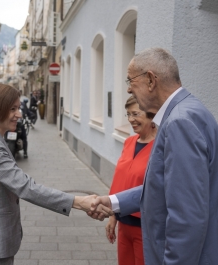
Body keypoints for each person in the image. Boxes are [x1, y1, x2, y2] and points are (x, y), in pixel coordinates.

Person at [90, 47, 218, 264]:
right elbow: (164, 187)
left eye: (130, 81)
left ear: (150, 80)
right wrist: (113, 202)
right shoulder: (189, 111)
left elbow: (187, 217)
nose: (129, 89)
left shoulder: (179, 122)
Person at [0, 83, 100, 265]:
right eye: (13, 109)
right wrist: (78, 202)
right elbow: (25, 187)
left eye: (18, 108)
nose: (18, 114)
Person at [106, 96, 156, 265]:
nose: (131, 120)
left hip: (146, 228)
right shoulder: (129, 142)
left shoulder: (161, 146)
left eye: (135, 114)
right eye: (128, 114)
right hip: (124, 223)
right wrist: (113, 216)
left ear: (151, 115)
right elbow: (119, 178)